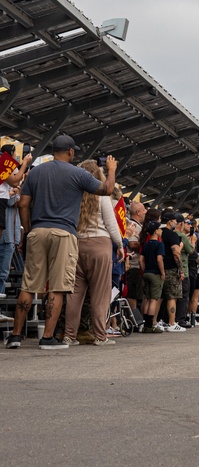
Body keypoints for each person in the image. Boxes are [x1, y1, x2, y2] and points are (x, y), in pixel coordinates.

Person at [7, 136, 117, 350]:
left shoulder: (36, 172)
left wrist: (28, 230)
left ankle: (15, 336)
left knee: (29, 285)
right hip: (64, 234)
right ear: (70, 152)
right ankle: (47, 338)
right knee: (57, 287)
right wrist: (111, 169)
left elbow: (23, 204)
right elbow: (106, 190)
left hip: (38, 231)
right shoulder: (78, 173)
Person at [63, 160, 124, 346]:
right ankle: (100, 335)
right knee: (100, 293)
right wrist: (120, 244)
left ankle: (69, 335)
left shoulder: (74, 195)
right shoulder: (102, 195)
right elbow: (112, 224)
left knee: (74, 294)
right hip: (100, 245)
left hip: (77, 244)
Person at [0, 144, 32, 313]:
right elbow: (15, 199)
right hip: (7, 235)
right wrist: (25, 165)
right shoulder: (4, 170)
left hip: (12, 235)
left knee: (6, 273)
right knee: (3, 272)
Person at [159, 212, 186, 332]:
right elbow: (176, 253)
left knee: (158, 297)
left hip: (159, 268)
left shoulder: (159, 233)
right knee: (172, 297)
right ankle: (171, 323)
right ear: (170, 221)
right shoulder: (172, 235)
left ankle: (154, 321)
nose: (176, 223)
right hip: (171, 269)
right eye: (175, 221)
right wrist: (181, 270)